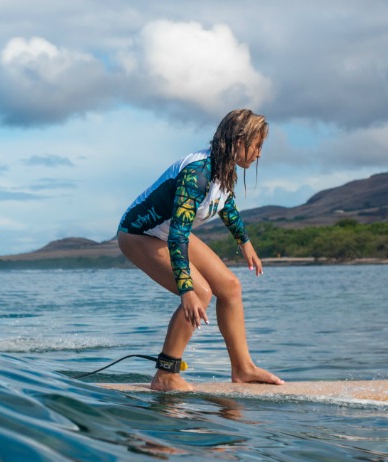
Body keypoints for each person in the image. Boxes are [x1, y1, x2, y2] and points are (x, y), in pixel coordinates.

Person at [117, 109, 284, 392]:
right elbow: (179, 236)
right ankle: (165, 374)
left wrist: (245, 243)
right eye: (257, 146)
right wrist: (187, 291)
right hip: (139, 234)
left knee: (230, 287)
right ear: (238, 141)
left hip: (169, 232)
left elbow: (226, 204)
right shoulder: (197, 174)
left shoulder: (223, 169)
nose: (259, 154)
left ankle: (243, 368)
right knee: (201, 292)